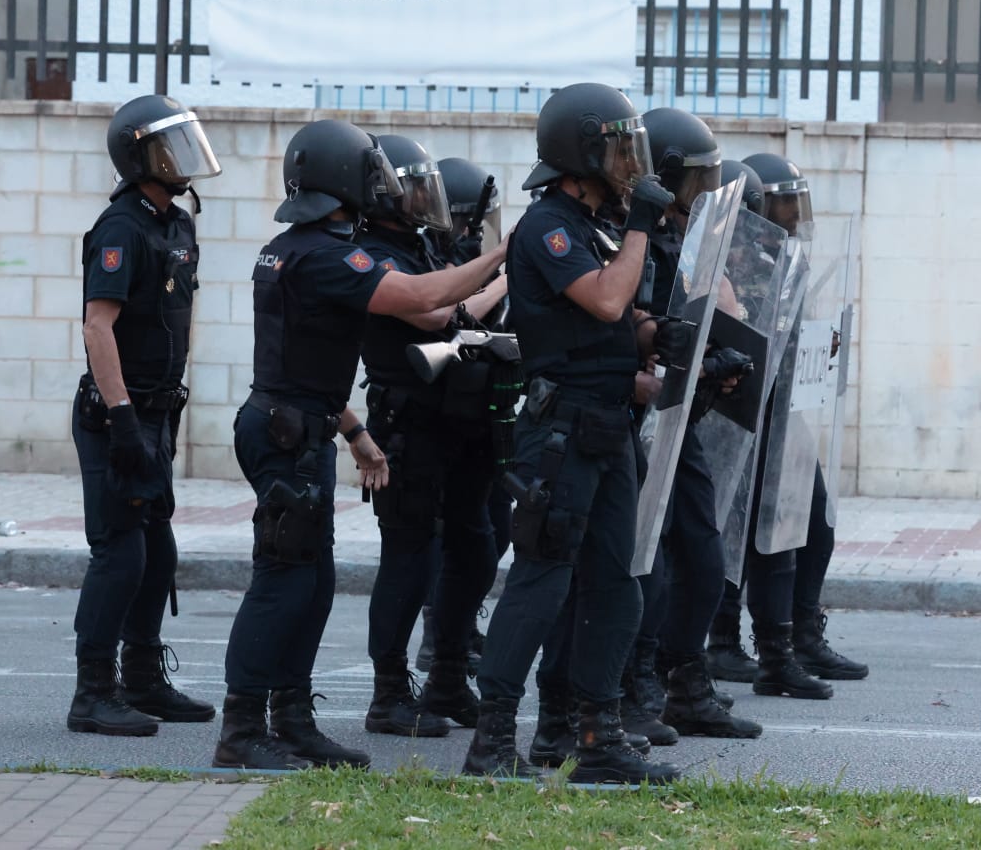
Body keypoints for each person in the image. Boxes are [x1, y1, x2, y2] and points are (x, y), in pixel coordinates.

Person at [213, 119, 509, 770]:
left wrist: (353, 432)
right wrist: (501, 256)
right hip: (286, 432)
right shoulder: (326, 254)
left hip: (301, 423)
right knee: (283, 582)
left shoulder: (296, 247)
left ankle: (290, 721)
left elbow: (312, 360)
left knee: (313, 584)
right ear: (344, 179)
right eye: (369, 173)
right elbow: (424, 298)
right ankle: (241, 730)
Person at [461, 83, 683, 785]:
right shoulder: (549, 226)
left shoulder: (598, 227)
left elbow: (620, 318)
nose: (628, 161)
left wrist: (669, 335)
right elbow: (607, 295)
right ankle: (492, 740)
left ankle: (595, 735)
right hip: (559, 433)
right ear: (580, 151)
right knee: (541, 583)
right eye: (617, 147)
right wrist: (645, 226)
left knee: (618, 587)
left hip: (608, 426)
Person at [68, 94, 222, 738]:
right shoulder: (121, 228)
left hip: (158, 413)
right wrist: (123, 416)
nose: (184, 159)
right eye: (170, 147)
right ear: (139, 157)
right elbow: (97, 327)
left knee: (157, 554)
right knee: (120, 555)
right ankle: (92, 693)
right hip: (116, 418)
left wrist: (158, 418)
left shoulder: (178, 225)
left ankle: (141, 678)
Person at [619, 108, 763, 745]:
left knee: (703, 558)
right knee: (645, 565)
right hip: (639, 421)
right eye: (697, 181)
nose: (705, 195)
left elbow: (718, 312)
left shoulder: (689, 239)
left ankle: (686, 682)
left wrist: (718, 359)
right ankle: (637, 684)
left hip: (682, 420)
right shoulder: (638, 237)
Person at [357, 135, 509, 739]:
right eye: (413, 188)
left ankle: (447, 675)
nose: (427, 200)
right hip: (409, 424)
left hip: (461, 421)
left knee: (477, 546)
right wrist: (508, 270)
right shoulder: (370, 254)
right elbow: (442, 313)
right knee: (409, 556)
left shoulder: (420, 246)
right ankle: (389, 691)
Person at [704, 153, 867, 695]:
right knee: (733, 539)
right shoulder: (728, 259)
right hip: (738, 420)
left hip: (784, 417)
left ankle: (799, 637)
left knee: (811, 526)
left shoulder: (784, 257)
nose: (793, 215)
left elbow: (786, 337)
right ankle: (727, 645)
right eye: (783, 203)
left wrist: (822, 349)